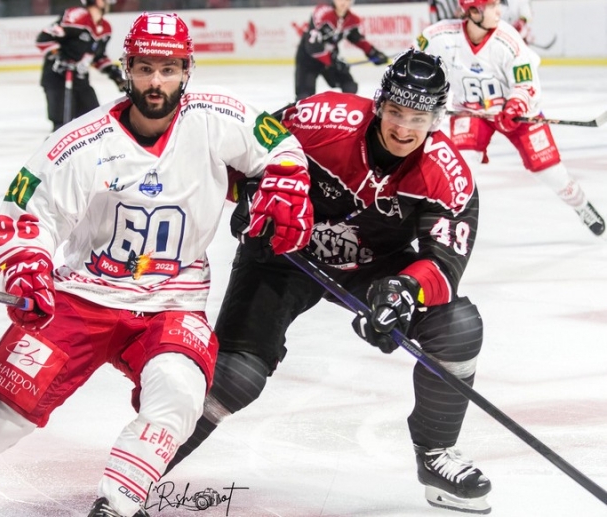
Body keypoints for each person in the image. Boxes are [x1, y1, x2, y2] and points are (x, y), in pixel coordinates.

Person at [0, 12, 313, 517]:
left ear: (187, 70)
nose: (156, 82)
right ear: (126, 68)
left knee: (179, 395)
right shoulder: (81, 142)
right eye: (145, 68)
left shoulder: (219, 116)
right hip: (83, 296)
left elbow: (280, 147)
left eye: (169, 69)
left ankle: (116, 507)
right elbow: (29, 213)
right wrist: (26, 267)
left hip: (173, 302)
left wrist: (285, 182)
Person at [166, 49, 493, 514]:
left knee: (457, 327)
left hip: (372, 266)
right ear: (379, 103)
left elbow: (444, 264)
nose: (403, 128)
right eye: (396, 112)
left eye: (418, 118)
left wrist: (404, 291)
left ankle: (436, 454)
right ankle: (141, 469)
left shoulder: (447, 175)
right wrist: (251, 194)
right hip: (284, 251)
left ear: (436, 120)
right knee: (236, 377)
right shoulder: (321, 117)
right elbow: (243, 156)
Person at [418, 0, 605, 237]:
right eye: (492, 6)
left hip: (516, 116)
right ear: (474, 11)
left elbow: (527, 84)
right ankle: (448, 222)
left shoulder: (508, 40)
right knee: (460, 169)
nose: (500, 11)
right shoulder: (439, 36)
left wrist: (516, 104)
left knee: (551, 172)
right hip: (471, 112)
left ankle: (581, 205)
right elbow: (413, 60)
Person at [36, 0, 127, 131]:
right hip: (58, 78)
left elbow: (98, 57)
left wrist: (113, 73)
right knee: (61, 125)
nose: (108, 3)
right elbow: (44, 38)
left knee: (94, 120)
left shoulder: (105, 28)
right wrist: (59, 56)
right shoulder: (77, 17)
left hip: (80, 80)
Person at [295, 0, 389, 101]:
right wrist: (333, 63)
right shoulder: (323, 14)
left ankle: (341, 109)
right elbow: (312, 46)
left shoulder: (352, 19)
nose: (344, 2)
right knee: (304, 97)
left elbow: (356, 38)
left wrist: (373, 53)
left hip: (330, 58)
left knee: (350, 86)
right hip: (308, 60)